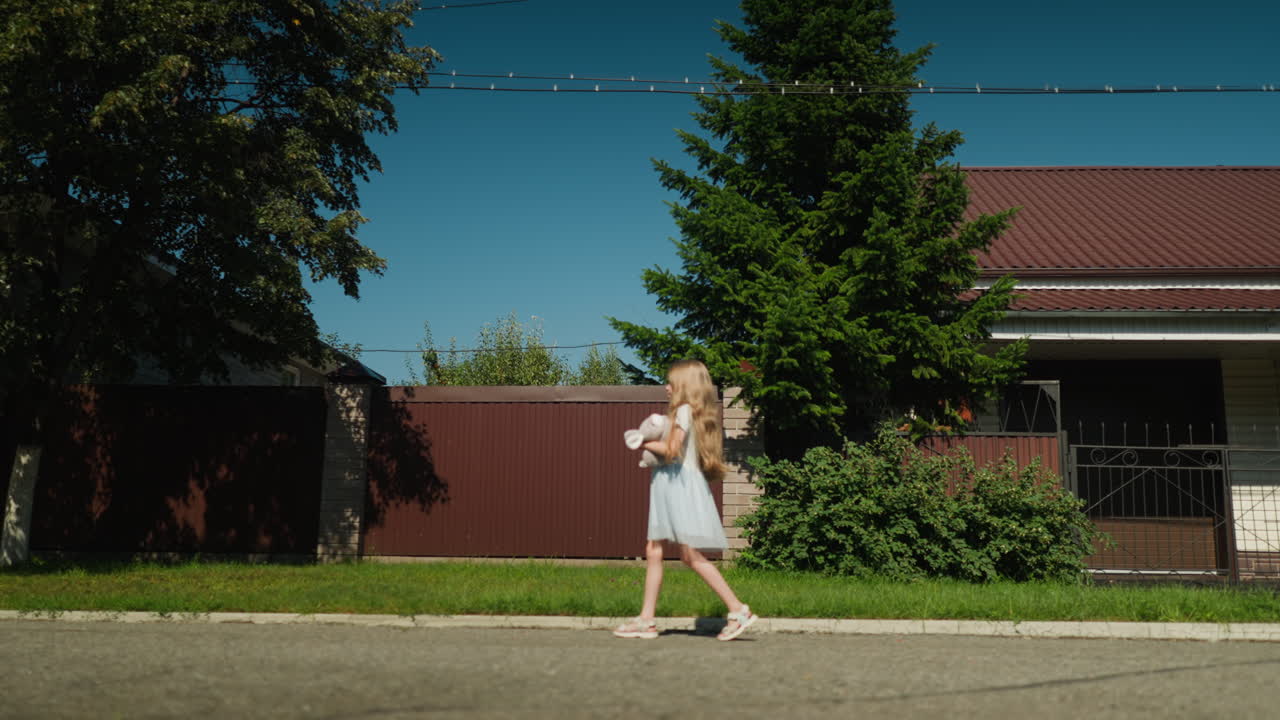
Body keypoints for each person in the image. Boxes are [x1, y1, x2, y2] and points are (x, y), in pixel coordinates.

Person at [612, 359, 759, 641]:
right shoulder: (688, 413)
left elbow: (671, 451)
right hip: (671, 485)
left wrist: (640, 441)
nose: (666, 387)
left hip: (678, 486)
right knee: (654, 549)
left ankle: (739, 609)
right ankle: (646, 619)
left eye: (671, 382)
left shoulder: (682, 411)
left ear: (684, 387)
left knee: (690, 555)